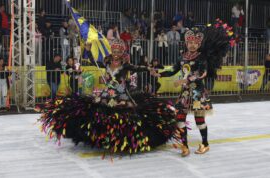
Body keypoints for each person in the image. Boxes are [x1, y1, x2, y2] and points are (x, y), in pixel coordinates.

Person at [37, 39, 180, 155]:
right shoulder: (106, 61)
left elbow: (138, 68)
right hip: (108, 90)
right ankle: (101, 136)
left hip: (121, 92)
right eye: (114, 51)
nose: (116, 53)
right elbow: (104, 73)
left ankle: (121, 137)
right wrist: (103, 77)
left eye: (118, 51)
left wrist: (150, 69)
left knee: (124, 113)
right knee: (101, 110)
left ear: (122, 52)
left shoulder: (125, 65)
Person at [154, 20, 233, 157]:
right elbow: (173, 70)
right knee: (179, 118)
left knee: (199, 120)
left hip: (197, 94)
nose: (192, 45)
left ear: (198, 44)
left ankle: (205, 144)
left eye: (195, 43)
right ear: (186, 43)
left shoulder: (201, 58)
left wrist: (186, 80)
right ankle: (184, 146)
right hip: (185, 94)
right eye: (190, 43)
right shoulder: (182, 57)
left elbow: (202, 74)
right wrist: (159, 73)